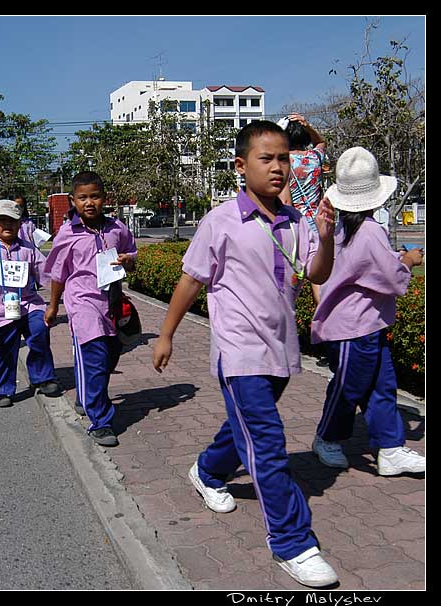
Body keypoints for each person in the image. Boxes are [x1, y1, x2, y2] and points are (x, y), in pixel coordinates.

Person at [151, 121, 338, 588]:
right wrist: (166, 335)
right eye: (266, 159)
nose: (278, 168)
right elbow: (190, 280)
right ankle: (293, 543)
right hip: (238, 352)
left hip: (281, 349)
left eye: (284, 159)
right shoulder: (220, 221)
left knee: (245, 430)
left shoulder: (297, 221)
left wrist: (327, 236)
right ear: (241, 165)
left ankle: (207, 470)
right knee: (269, 443)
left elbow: (315, 270)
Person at [309, 146, 425, 477]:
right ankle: (327, 438)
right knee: (349, 388)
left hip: (362, 325)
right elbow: (391, 277)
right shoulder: (371, 231)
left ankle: (389, 447)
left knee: (380, 385)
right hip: (353, 329)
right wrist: (408, 260)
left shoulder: (341, 230)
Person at [43, 171, 137, 447]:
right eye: (82, 198)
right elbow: (59, 274)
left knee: (110, 357)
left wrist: (128, 261)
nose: (89, 202)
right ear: (73, 200)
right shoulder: (67, 233)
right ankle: (101, 422)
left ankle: (87, 396)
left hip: (112, 303)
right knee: (94, 358)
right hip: (82, 303)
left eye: (94, 196)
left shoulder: (117, 228)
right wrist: (52, 306)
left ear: (104, 198)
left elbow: (131, 254)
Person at [0, 199, 60, 407]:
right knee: (2, 350)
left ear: (20, 224)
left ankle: (43, 378)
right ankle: (2, 389)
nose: (7, 225)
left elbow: (46, 274)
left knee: (39, 330)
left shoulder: (28, 249)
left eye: (12, 221)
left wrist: (59, 298)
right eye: (2, 220)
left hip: (28, 305)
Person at [279, 113, 330, 366]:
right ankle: (328, 339)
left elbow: (286, 201)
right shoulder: (315, 158)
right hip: (318, 226)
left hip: (297, 228)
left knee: (291, 286)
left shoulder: (283, 162)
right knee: (320, 286)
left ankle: (288, 340)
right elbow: (322, 142)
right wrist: (310, 125)